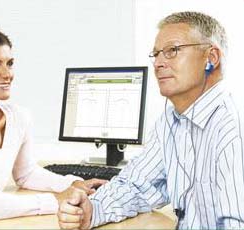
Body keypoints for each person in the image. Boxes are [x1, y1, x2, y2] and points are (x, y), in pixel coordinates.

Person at [57, 11, 244, 229]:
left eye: (172, 51)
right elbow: (136, 186)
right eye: (156, 54)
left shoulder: (234, 127)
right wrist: (93, 210)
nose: (158, 63)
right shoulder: (171, 121)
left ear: (211, 59)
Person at [0, 26, 106, 226]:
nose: (7, 74)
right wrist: (54, 200)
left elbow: (26, 173)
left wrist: (71, 183)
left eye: (9, 64)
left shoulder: (18, 117)